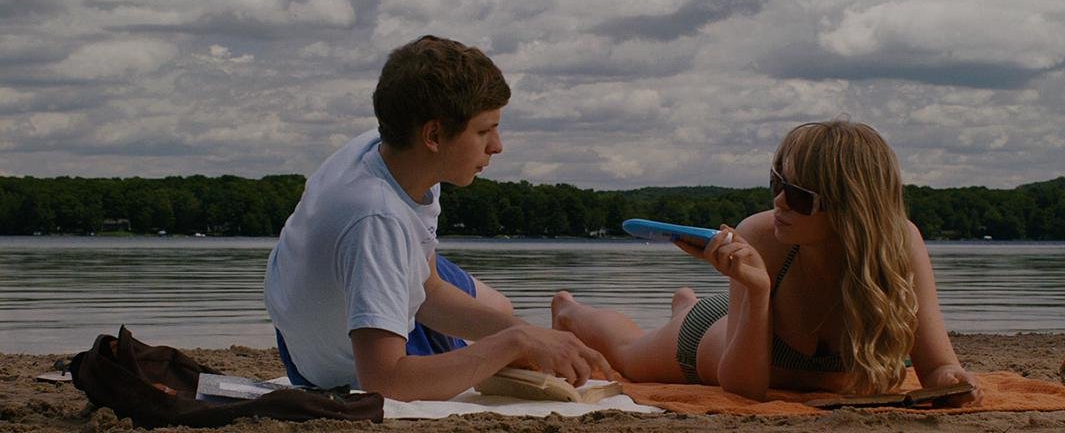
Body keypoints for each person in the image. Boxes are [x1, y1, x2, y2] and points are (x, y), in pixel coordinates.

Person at [264, 35, 609, 401]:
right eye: (484, 131)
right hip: (330, 366)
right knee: (500, 342)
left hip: (303, 316)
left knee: (500, 311)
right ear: (433, 135)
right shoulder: (377, 220)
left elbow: (427, 288)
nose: (497, 146)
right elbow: (384, 381)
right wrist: (515, 341)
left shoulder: (400, 158)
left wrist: (530, 336)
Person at [551, 120, 982, 404]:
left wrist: (954, 383)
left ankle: (685, 302)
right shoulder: (763, 235)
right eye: (777, 182)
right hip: (719, 338)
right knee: (629, 354)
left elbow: (938, 367)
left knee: (680, 316)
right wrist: (757, 291)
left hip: (739, 319)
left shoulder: (899, 245)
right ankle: (569, 309)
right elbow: (742, 390)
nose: (779, 201)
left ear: (851, 208)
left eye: (798, 195)